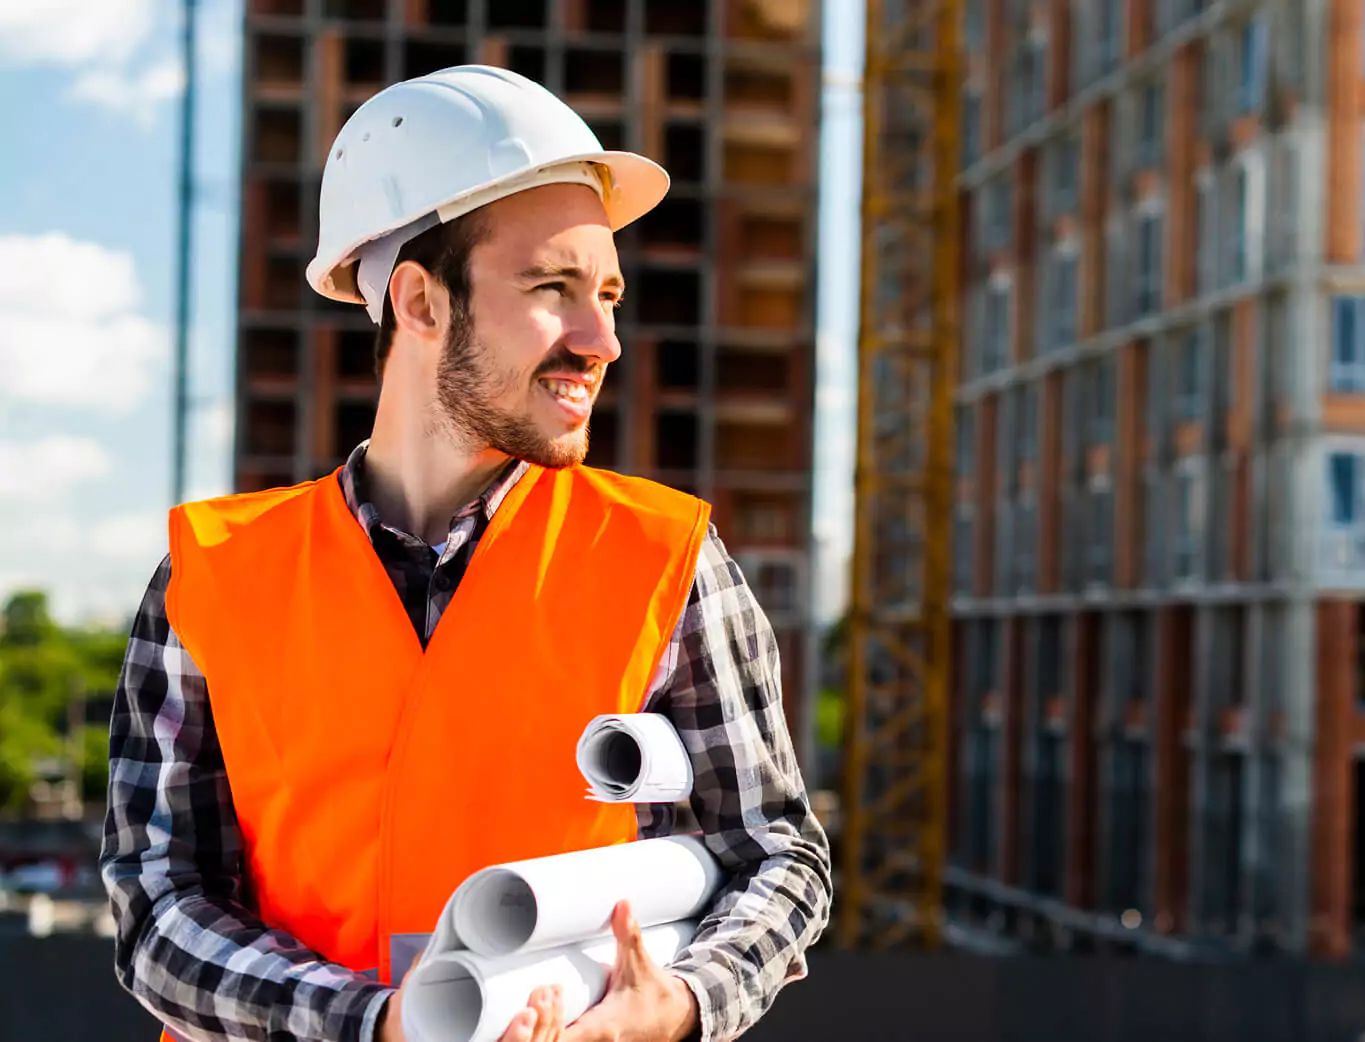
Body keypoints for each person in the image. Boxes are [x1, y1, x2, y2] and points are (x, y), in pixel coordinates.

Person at [99, 65, 831, 1042]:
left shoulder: (666, 558)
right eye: (553, 288)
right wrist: (372, 1024)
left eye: (608, 294)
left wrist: (682, 1003)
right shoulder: (215, 577)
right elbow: (157, 905)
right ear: (419, 302)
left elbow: (776, 859)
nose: (602, 340)